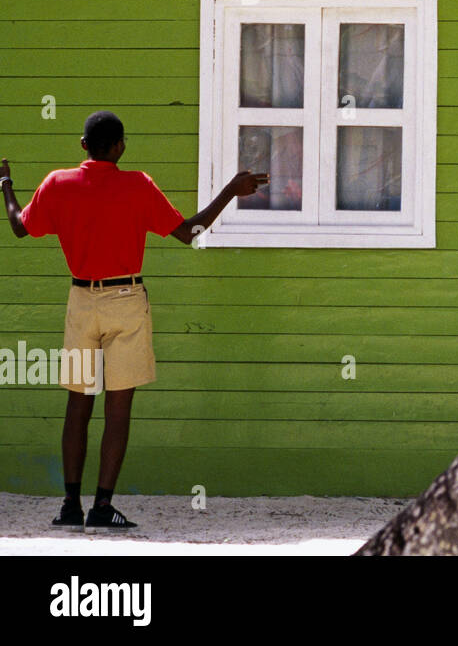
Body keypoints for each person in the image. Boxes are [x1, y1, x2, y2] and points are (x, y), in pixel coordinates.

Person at [1, 111, 266, 533]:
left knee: (78, 404)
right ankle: (102, 507)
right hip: (125, 300)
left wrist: (7, 186)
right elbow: (189, 231)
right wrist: (231, 190)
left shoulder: (57, 184)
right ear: (120, 146)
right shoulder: (138, 185)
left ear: (83, 145)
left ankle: (70, 504)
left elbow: (18, 226)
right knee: (118, 409)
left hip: (81, 299)